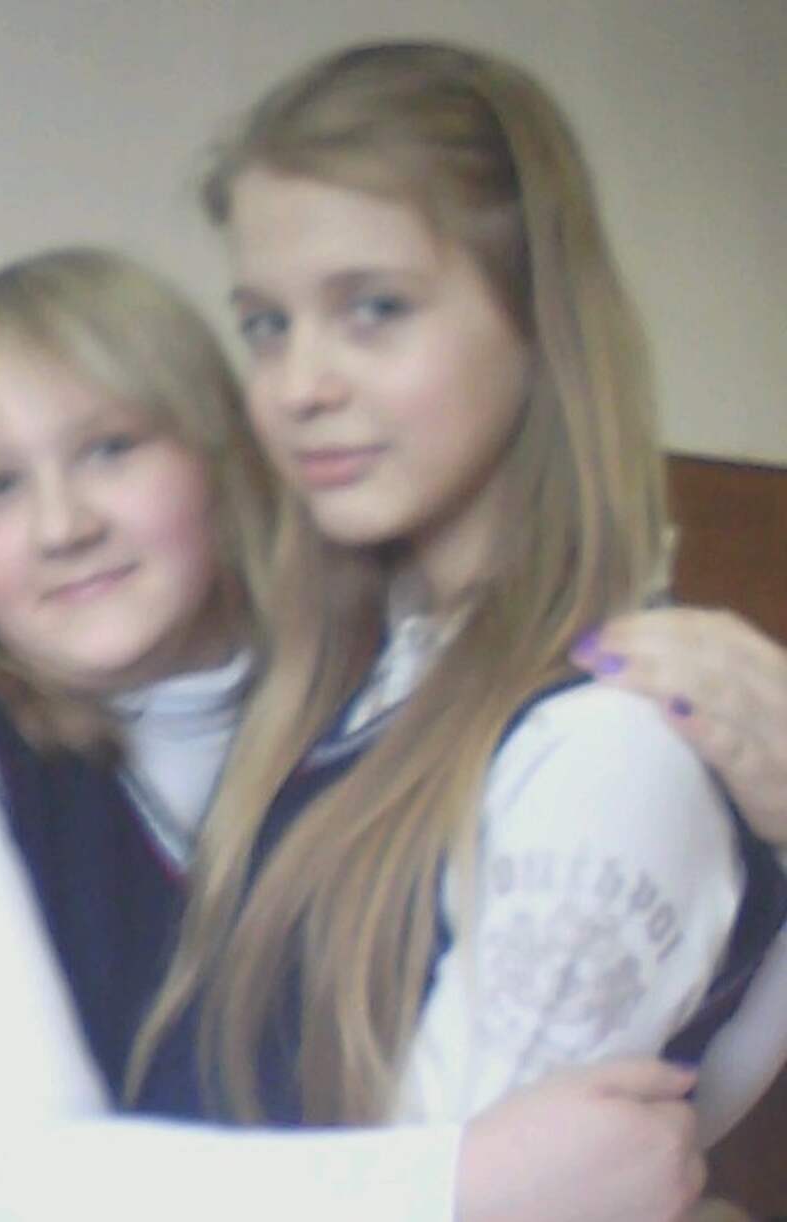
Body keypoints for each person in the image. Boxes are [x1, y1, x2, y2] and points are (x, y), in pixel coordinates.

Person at [0, 245, 708, 1222]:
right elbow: (11, 1191)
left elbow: (608, 1102)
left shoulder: (357, 726)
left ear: (223, 460)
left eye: (111, 449)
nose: (62, 526)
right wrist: (463, 1185)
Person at [120, 39, 786, 1134]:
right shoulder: (334, 681)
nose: (297, 386)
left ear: (537, 322)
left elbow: (461, 1191)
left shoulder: (604, 743)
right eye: (266, 325)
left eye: (374, 308)